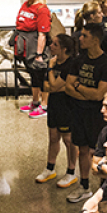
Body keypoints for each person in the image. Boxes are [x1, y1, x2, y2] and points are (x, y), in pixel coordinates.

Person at [65, 23, 107, 203]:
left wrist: (79, 86)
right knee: (82, 149)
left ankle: (103, 189)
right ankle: (84, 186)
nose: (80, 39)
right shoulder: (78, 60)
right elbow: (68, 87)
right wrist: (85, 92)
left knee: (99, 151)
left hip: (98, 115)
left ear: (95, 40)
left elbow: (99, 95)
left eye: (84, 36)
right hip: (79, 112)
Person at [36, 34, 80, 187]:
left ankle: (71, 171)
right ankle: (50, 168)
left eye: (55, 44)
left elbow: (53, 86)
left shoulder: (70, 65)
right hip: (54, 105)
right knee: (53, 137)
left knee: (69, 140)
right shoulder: (55, 63)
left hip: (67, 106)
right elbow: (46, 87)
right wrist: (54, 85)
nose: (50, 46)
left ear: (64, 48)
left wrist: (49, 68)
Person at [15, 0, 52, 117]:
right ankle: (35, 102)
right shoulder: (26, 5)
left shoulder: (42, 9)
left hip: (36, 47)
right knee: (33, 76)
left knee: (42, 76)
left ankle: (45, 105)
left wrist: (39, 54)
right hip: (26, 47)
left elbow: (42, 34)